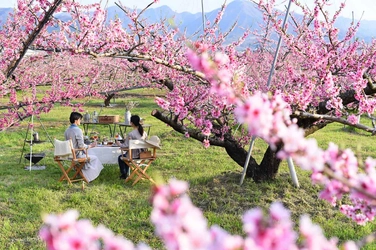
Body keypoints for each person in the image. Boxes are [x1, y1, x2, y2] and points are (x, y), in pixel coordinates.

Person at [64, 112, 104, 182]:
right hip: (77, 155)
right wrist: (90, 145)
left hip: (69, 154)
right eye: (80, 120)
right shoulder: (78, 130)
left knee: (89, 154)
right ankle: (89, 176)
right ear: (76, 120)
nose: (80, 121)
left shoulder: (67, 130)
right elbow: (81, 146)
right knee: (95, 158)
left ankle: (80, 172)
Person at [116, 115, 147, 179]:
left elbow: (125, 146)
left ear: (131, 123)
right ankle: (126, 174)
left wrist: (119, 144)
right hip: (144, 154)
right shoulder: (144, 133)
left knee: (121, 157)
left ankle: (124, 174)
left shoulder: (131, 134)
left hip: (134, 155)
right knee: (126, 155)